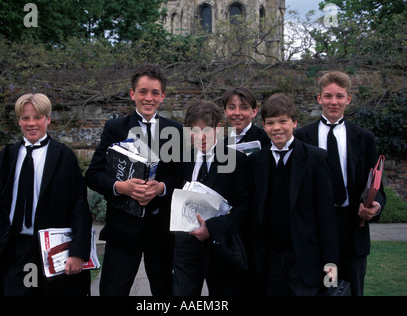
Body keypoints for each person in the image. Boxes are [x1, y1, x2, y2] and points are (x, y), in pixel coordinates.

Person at [0, 93, 93, 296]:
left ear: (48, 119)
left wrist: (77, 252)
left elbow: (79, 206)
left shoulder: (64, 156)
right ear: (18, 121)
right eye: (25, 118)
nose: (31, 123)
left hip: (52, 249)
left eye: (38, 117)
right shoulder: (6, 157)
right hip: (14, 249)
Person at [85, 63, 183, 296]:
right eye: (143, 92)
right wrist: (120, 187)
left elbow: (180, 177)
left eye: (155, 93)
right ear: (132, 94)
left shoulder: (175, 130)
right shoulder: (114, 128)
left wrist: (161, 187)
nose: (148, 98)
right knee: (113, 291)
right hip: (122, 229)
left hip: (161, 231)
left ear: (163, 96)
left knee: (165, 292)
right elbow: (93, 174)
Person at [295, 71, 386, 296]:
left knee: (353, 290)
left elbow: (377, 185)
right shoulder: (301, 137)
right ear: (319, 99)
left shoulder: (364, 138)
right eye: (328, 96)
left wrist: (375, 207)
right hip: (315, 229)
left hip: (352, 227)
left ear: (349, 99)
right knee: (322, 289)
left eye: (339, 96)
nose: (333, 102)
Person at [248, 93, 339, 296]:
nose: (277, 127)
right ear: (263, 126)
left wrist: (331, 260)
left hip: (305, 257)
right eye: (270, 123)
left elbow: (326, 214)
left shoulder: (316, 158)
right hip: (269, 257)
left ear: (295, 122)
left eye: (283, 121)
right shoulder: (256, 161)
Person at [173, 100, 250, 296]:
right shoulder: (184, 160)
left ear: (219, 127)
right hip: (186, 245)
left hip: (220, 245)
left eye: (206, 130)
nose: (201, 137)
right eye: (195, 131)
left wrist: (212, 229)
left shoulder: (237, 161)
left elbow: (244, 208)